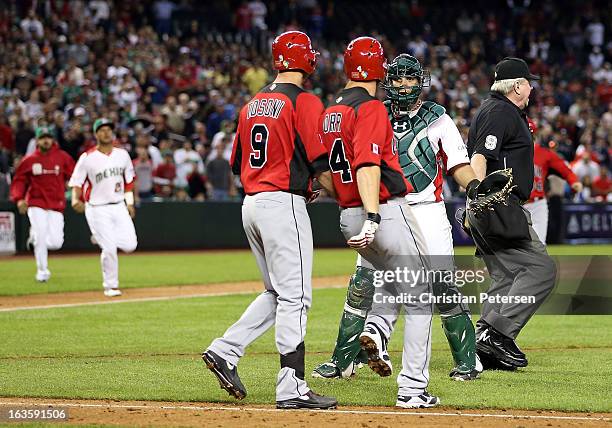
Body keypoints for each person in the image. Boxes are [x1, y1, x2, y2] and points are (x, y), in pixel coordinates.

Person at [314, 53, 483, 382]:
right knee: (364, 284)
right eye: (397, 78)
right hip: (387, 209)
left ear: (420, 80)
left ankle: (468, 359)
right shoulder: (372, 112)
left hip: (427, 209)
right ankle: (345, 359)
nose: (403, 84)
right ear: (386, 81)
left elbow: (458, 166)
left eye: (409, 78)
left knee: (441, 284)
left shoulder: (438, 117)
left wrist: (476, 187)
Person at [202, 31, 337, 410]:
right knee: (296, 297)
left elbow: (236, 163)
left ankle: (225, 351)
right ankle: (291, 386)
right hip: (283, 206)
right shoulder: (304, 100)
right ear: (305, 59)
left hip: (253, 203)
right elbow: (321, 166)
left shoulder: (252, 104)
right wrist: (351, 200)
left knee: (277, 293)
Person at [318, 37, 438, 408]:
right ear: (378, 69)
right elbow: (368, 164)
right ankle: (413, 389)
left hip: (347, 214)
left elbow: (322, 171)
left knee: (390, 282)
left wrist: (352, 208)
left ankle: (374, 332)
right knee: (420, 298)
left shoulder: (330, 110)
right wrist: (372, 213)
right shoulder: (370, 108)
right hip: (383, 210)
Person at [467, 57, 556, 371]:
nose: (531, 87)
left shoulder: (497, 110)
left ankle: (483, 345)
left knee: (505, 277)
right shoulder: (501, 111)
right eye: (528, 81)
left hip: (491, 204)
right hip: (495, 203)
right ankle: (498, 334)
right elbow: (481, 155)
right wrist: (477, 198)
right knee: (541, 269)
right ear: (517, 86)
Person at [69, 118, 138, 297]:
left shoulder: (122, 155)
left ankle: (99, 236)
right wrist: (75, 199)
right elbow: (77, 182)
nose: (106, 132)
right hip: (97, 207)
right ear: (96, 134)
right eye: (102, 130)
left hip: (118, 205)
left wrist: (130, 202)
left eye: (109, 129)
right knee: (109, 248)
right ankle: (110, 286)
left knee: (131, 245)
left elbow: (129, 183)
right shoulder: (88, 158)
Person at [10, 126, 75, 282]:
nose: (46, 140)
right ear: (37, 141)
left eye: (48, 137)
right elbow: (19, 181)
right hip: (36, 202)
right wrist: (19, 198)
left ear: (52, 139)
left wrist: (74, 187)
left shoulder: (62, 157)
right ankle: (42, 271)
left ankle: (33, 237)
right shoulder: (30, 160)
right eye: (42, 137)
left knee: (56, 242)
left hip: (56, 203)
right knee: (41, 236)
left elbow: (74, 174)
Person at [524, 118, 582, 244]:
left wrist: (574, 181)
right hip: (516, 205)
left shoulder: (544, 153)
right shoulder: (508, 153)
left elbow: (564, 169)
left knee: (538, 245)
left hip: (537, 204)